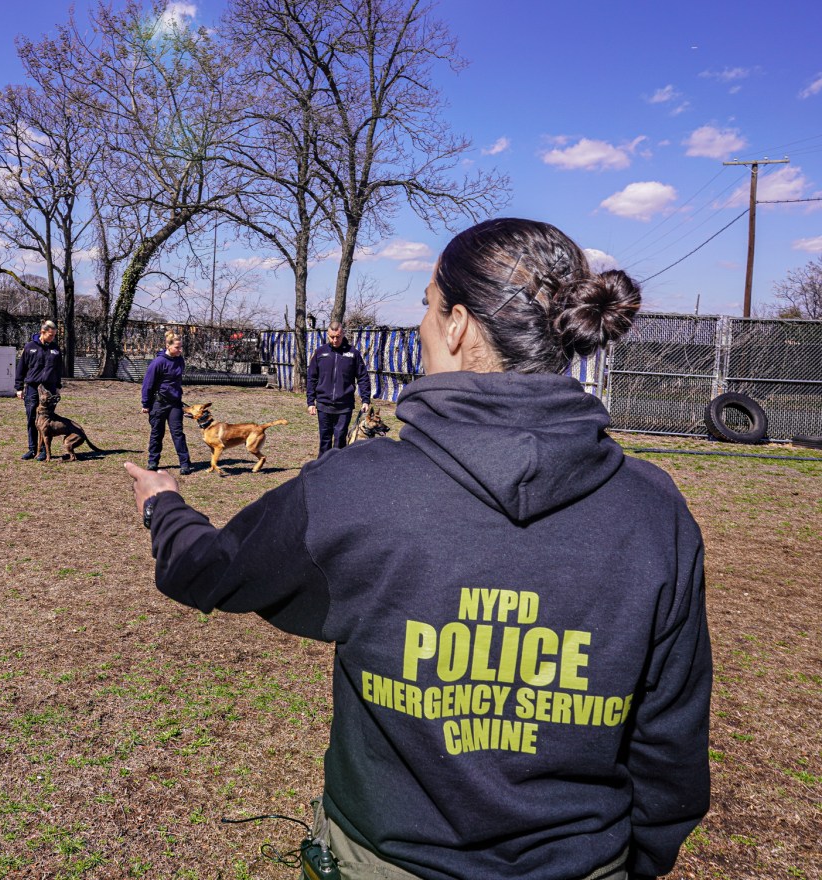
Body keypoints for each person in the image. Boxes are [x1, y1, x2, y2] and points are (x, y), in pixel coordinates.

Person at [125, 218, 711, 880]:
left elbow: (207, 571)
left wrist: (163, 504)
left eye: (428, 306)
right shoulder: (653, 509)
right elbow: (671, 741)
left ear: (457, 326)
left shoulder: (353, 489)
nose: (423, 324)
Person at [306, 321, 372, 456]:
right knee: (325, 439)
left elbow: (363, 377)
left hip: (344, 406)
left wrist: (365, 399)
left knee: (340, 439)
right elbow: (312, 378)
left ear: (342, 334)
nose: (335, 340)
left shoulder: (353, 354)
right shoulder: (320, 353)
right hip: (323, 404)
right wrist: (310, 402)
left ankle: (338, 466)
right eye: (332, 337)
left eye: (338, 337)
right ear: (327, 335)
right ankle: (323, 466)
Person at [141, 331, 192, 475]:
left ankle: (185, 463)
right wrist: (145, 404)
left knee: (178, 433)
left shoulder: (179, 360)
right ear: (168, 346)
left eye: (181, 347)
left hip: (175, 403)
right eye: (177, 347)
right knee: (157, 433)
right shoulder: (158, 362)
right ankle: (153, 461)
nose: (180, 350)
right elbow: (147, 384)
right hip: (159, 403)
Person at [15, 320, 63, 460]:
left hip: (49, 389)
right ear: (43, 332)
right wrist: (19, 387)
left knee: (46, 421)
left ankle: (43, 450)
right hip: (32, 388)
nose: (52, 338)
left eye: (54, 335)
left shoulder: (55, 349)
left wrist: (58, 386)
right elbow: (21, 368)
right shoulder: (29, 347)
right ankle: (32, 449)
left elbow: (59, 369)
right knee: (31, 418)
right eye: (50, 335)